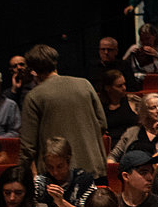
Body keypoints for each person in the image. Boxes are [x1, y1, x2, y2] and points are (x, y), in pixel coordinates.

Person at [17, 44, 107, 181]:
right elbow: (102, 124)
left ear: (33, 70)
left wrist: (20, 176)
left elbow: (28, 146)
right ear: (55, 62)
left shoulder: (34, 96)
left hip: (56, 175)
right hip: (92, 167)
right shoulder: (85, 84)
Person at [34, 135, 98, 207]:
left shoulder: (84, 181)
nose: (55, 172)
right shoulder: (40, 183)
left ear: (68, 161)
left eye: (59, 166)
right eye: (50, 167)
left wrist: (61, 203)